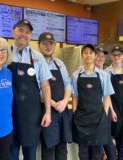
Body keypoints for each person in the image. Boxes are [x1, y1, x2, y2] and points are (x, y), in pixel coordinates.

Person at [7, 20, 52, 160]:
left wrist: (48, 112)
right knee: (11, 154)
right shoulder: (4, 54)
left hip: (32, 115)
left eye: (27, 32)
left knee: (30, 155)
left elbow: (45, 86)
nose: (24, 34)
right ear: (13, 31)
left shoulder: (37, 57)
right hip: (9, 113)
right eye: (21, 30)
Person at [72, 44, 114, 160]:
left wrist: (104, 114)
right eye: (85, 52)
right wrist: (75, 113)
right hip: (82, 118)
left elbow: (106, 96)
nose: (88, 55)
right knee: (83, 153)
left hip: (98, 117)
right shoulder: (76, 75)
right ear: (82, 56)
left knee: (97, 152)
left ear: (95, 56)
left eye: (91, 53)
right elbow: (75, 95)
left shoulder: (103, 75)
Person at [38, 32, 72, 160]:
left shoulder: (60, 64)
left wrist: (64, 101)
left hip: (62, 112)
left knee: (62, 148)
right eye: (45, 43)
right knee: (49, 148)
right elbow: (36, 89)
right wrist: (52, 103)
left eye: (51, 43)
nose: (48, 46)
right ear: (39, 45)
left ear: (55, 45)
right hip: (46, 112)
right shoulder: (36, 64)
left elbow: (68, 83)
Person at [94, 46, 117, 160]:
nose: (100, 58)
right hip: (92, 111)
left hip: (105, 110)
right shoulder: (84, 72)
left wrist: (111, 111)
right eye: (98, 55)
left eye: (102, 56)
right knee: (98, 139)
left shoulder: (105, 74)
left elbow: (107, 96)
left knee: (106, 137)